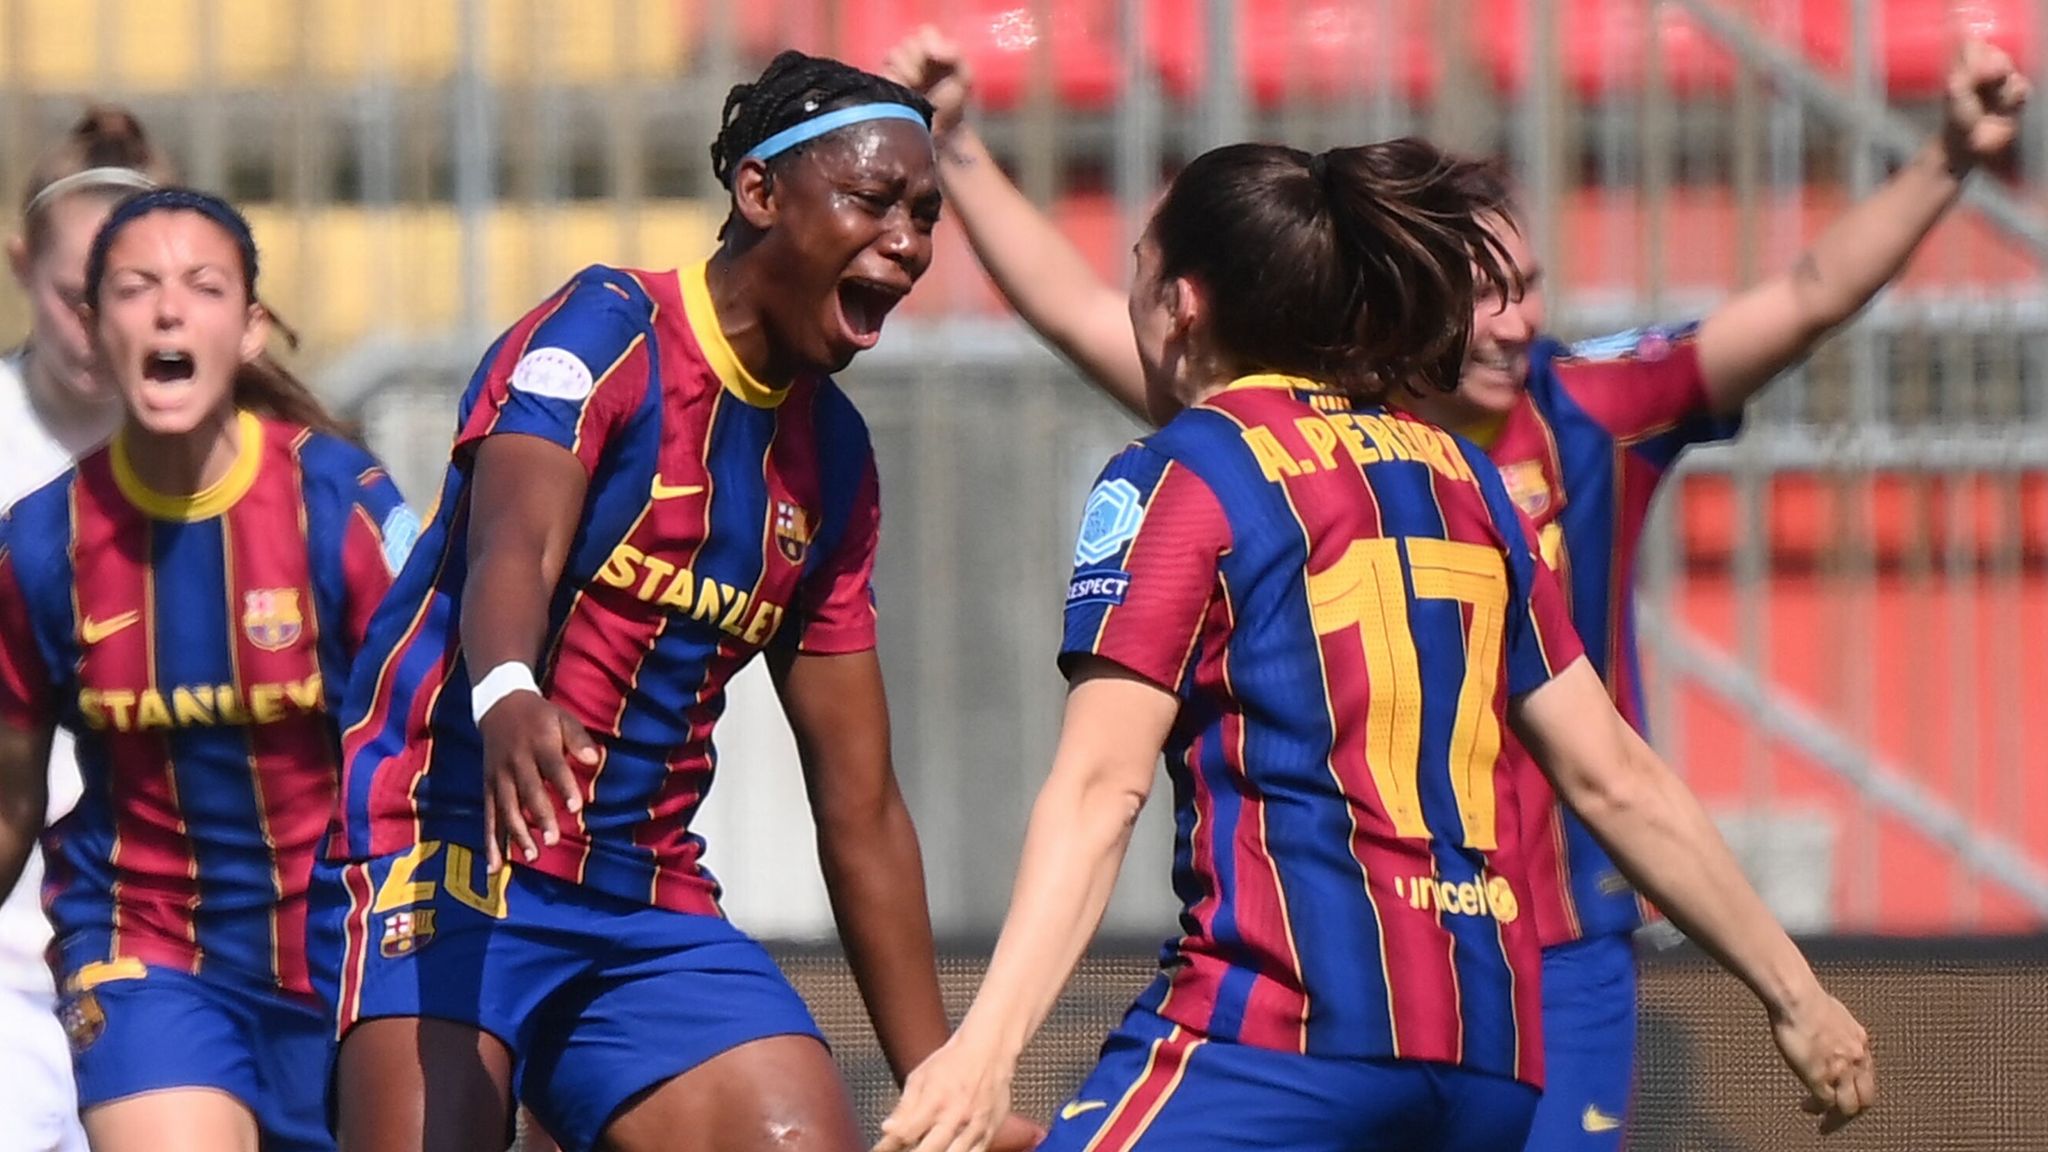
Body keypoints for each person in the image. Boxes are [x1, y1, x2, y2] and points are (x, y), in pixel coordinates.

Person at [884, 28, 2025, 1149]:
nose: (1521, 318)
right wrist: (1795, 995)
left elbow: (1097, 791)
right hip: (1486, 1051)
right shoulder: (1464, 479)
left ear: (1178, 302)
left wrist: (982, 1055)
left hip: (1287, 1027)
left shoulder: (1189, 468)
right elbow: (1615, 771)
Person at [311, 49, 1038, 1152]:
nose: (907, 242)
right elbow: (513, 538)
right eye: (873, 200)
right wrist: (507, 690)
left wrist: (944, 1084)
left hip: (640, 898)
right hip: (444, 847)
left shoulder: (831, 460)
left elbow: (859, 801)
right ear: (758, 194)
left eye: (925, 215)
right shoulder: (606, 331)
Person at [0, 187, 415, 1152]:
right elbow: (11, 804)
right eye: (135, 289)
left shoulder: (343, 507)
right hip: (146, 950)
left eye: (203, 286)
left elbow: (431, 746)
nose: (169, 310)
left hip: (347, 955)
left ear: (252, 328)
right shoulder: (36, 546)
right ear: (96, 331)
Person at [0, 104, 175, 1152]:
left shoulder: (226, 467)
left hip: (165, 948)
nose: (100, 326)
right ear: (21, 265)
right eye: (78, 296)